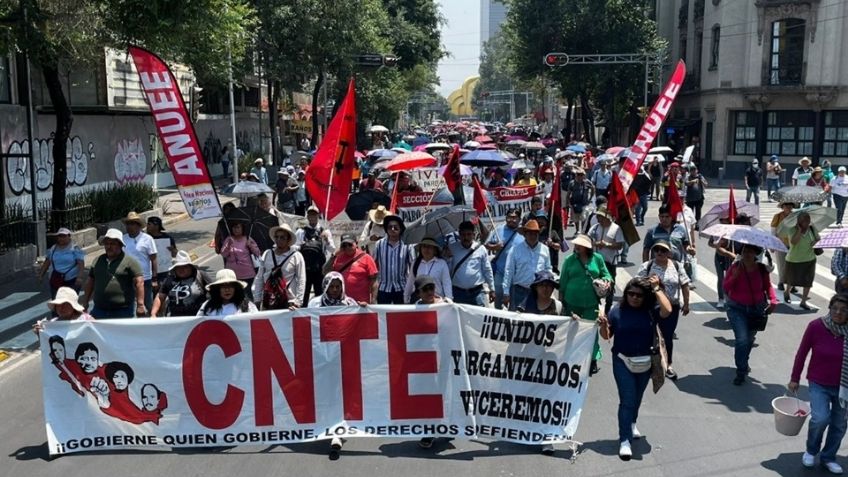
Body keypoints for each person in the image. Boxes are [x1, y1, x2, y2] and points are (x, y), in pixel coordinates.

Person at [597, 276, 672, 461]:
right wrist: (604, 326)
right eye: (631, 294)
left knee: (637, 398)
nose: (634, 298)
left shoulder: (651, 311)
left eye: (639, 295)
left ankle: (631, 422)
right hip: (622, 361)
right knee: (627, 400)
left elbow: (668, 309)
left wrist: (656, 288)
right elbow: (607, 336)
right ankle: (624, 440)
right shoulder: (616, 311)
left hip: (645, 362)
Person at [789, 294, 848, 474]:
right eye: (835, 308)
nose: (838, 313)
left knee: (839, 424)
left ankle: (828, 457)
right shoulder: (816, 326)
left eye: (844, 310)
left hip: (843, 387)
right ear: (829, 308)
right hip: (819, 382)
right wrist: (795, 378)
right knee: (820, 418)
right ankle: (811, 450)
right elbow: (802, 353)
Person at [723, 244, 778, 385]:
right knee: (741, 340)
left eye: (750, 252)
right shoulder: (735, 268)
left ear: (756, 254)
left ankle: (744, 361)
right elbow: (726, 287)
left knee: (749, 339)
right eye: (745, 251)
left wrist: (773, 300)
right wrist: (734, 277)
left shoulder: (761, 269)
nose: (747, 254)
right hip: (736, 308)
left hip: (756, 309)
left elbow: (768, 286)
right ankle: (741, 370)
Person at [637, 240, 690, 380]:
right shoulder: (647, 266)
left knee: (667, 336)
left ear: (669, 253)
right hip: (651, 306)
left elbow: (684, 284)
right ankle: (648, 363)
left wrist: (686, 304)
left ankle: (668, 364)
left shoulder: (677, 266)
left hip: (672, 307)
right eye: (657, 250)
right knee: (649, 333)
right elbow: (636, 284)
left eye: (663, 250)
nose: (659, 253)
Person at [560, 234, 612, 375]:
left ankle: (592, 358)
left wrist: (606, 281)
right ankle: (571, 357)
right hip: (571, 301)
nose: (576, 247)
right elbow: (563, 281)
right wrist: (562, 299)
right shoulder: (569, 260)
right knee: (572, 330)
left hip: (591, 302)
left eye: (580, 245)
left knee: (591, 331)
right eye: (576, 244)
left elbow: (607, 275)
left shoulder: (597, 258)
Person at [80, 228, 144, 318]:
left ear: (120, 245)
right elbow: (90, 281)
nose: (109, 247)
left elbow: (139, 282)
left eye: (113, 244)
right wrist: (85, 302)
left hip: (122, 311)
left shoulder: (130, 262)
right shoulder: (98, 260)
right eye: (107, 244)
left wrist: (140, 305)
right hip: (99, 310)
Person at [503, 220, 552, 312]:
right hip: (519, 291)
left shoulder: (545, 250)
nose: (533, 236)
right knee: (517, 320)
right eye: (530, 233)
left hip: (538, 292)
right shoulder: (515, 250)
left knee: (536, 319)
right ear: (525, 234)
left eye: (535, 233)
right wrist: (506, 291)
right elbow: (509, 271)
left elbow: (548, 269)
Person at [253, 224, 306, 309]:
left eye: (282, 237)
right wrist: (257, 299)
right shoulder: (267, 254)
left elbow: (301, 279)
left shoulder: (296, 256)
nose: (279, 240)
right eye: (277, 237)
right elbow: (259, 277)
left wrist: (298, 301)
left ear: (288, 240)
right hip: (268, 300)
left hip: (289, 302)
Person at [448, 220, 494, 306]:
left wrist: (492, 289)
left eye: (469, 234)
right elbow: (447, 271)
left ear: (473, 234)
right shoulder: (451, 249)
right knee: (460, 319)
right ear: (459, 235)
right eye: (463, 235)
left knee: (480, 318)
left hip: (478, 293)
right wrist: (447, 258)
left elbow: (487, 270)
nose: (466, 237)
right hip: (458, 293)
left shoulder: (481, 249)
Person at [150, 251, 210, 318]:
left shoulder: (200, 275)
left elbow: (216, 291)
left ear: (191, 267)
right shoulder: (170, 279)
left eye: (185, 267)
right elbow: (160, 297)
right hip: (175, 320)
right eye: (178, 267)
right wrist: (153, 313)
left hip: (198, 318)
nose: (181, 269)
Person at [295, 206, 336, 304]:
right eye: (310, 214)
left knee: (320, 294)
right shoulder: (301, 231)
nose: (312, 217)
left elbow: (333, 249)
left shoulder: (325, 231)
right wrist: (302, 245)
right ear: (307, 216)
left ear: (318, 216)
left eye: (314, 215)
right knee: (304, 294)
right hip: (305, 269)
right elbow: (294, 247)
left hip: (320, 269)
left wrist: (326, 240)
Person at [588, 208, 625, 314]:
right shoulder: (594, 228)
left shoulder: (616, 229)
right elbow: (588, 240)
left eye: (601, 217)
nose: (598, 219)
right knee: (594, 286)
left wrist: (606, 244)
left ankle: (608, 311)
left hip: (609, 263)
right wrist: (593, 244)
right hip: (595, 262)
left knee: (609, 287)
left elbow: (620, 245)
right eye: (598, 217)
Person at [372, 215, 414, 304]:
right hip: (383, 287)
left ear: (400, 229)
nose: (392, 229)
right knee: (383, 316)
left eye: (396, 227)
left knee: (401, 316)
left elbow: (412, 266)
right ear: (386, 229)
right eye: (390, 227)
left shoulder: (407, 245)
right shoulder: (379, 245)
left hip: (402, 287)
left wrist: (412, 287)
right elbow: (374, 265)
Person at [325, 234, 379, 304]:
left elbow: (374, 281)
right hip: (342, 302)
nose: (347, 247)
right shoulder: (337, 258)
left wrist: (373, 300)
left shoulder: (366, 258)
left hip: (361, 302)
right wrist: (334, 256)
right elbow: (325, 272)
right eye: (344, 245)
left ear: (356, 244)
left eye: (350, 245)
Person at [122, 211, 158, 311]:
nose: (129, 226)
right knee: (131, 305)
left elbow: (153, 259)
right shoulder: (122, 239)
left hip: (145, 278)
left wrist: (154, 279)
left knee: (148, 304)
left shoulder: (147, 239)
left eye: (132, 224)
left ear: (138, 226)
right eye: (127, 224)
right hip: (128, 279)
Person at [785, 211, 820, 309]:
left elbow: (818, 239)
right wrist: (799, 231)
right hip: (794, 259)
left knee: (808, 281)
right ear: (799, 221)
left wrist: (815, 242)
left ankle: (803, 301)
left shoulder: (812, 229)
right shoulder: (792, 230)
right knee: (791, 280)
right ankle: (787, 291)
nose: (807, 222)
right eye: (804, 220)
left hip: (809, 259)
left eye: (808, 220)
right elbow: (794, 242)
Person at [220, 221, 262, 300]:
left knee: (249, 297)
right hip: (233, 276)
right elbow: (223, 254)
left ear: (242, 228)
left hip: (248, 274)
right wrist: (228, 245)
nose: (236, 230)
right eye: (234, 227)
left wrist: (251, 245)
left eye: (238, 227)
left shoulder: (247, 238)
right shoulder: (229, 239)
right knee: (236, 298)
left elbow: (257, 253)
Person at [39, 227, 85, 298]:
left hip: (71, 280)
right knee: (56, 302)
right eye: (60, 236)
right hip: (56, 279)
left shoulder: (75, 248)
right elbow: (47, 261)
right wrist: (41, 275)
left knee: (70, 302)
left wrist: (80, 277)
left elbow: (81, 263)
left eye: (64, 236)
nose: (61, 238)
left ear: (69, 237)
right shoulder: (53, 248)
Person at [404, 237, 452, 304]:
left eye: (429, 247)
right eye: (424, 246)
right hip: (419, 302)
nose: (426, 249)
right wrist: (406, 299)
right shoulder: (415, 263)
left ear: (434, 250)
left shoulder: (442, 263)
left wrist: (449, 300)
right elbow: (410, 282)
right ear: (420, 249)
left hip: (437, 302)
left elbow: (447, 283)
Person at [771, 201, 796, 292]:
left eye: (790, 205)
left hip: (793, 244)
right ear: (782, 207)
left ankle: (792, 284)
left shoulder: (795, 216)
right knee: (782, 264)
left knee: (793, 265)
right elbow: (773, 231)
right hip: (780, 244)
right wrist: (772, 245)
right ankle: (781, 282)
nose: (788, 207)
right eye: (786, 205)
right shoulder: (777, 216)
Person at [146, 216, 176, 286]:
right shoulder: (146, 238)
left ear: (156, 226)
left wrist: (173, 250)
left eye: (149, 224)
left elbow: (174, 254)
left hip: (165, 271)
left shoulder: (167, 238)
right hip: (149, 272)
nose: (147, 226)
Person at [565, 168, 594, 234]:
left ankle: (583, 230)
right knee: (576, 218)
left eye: (581, 175)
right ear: (576, 175)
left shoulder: (587, 182)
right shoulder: (572, 183)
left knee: (584, 218)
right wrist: (567, 203)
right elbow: (568, 194)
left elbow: (592, 188)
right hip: (574, 203)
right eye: (578, 175)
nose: (580, 176)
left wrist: (590, 198)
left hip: (584, 203)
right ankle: (577, 230)